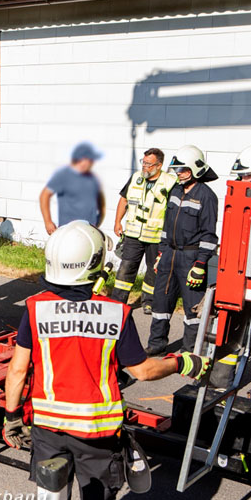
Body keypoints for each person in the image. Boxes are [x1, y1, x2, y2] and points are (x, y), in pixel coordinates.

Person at [3, 220, 211, 500]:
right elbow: (142, 371)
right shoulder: (115, 313)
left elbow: (17, 370)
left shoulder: (35, 309)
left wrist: (11, 417)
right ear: (96, 264)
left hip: (48, 433)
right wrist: (182, 362)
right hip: (97, 436)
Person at [146, 145, 218, 355]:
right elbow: (167, 225)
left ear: (196, 169)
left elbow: (209, 234)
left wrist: (201, 263)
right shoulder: (176, 189)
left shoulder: (206, 196)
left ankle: (189, 351)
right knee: (161, 301)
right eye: (177, 170)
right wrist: (161, 253)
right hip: (169, 253)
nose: (179, 174)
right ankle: (156, 346)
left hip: (191, 257)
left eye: (183, 170)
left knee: (192, 308)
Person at [111, 148, 177, 314]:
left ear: (159, 165)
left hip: (155, 237)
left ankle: (148, 302)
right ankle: (118, 302)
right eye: (144, 162)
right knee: (126, 268)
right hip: (133, 235)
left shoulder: (170, 182)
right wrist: (117, 221)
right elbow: (124, 198)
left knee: (153, 271)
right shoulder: (135, 178)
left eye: (149, 164)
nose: (144, 167)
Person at [40, 142, 104, 234]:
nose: (92, 163)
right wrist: (48, 222)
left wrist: (98, 221)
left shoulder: (92, 179)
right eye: (90, 160)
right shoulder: (63, 175)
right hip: (68, 231)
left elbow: (100, 203)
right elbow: (44, 195)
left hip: (89, 231)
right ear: (82, 159)